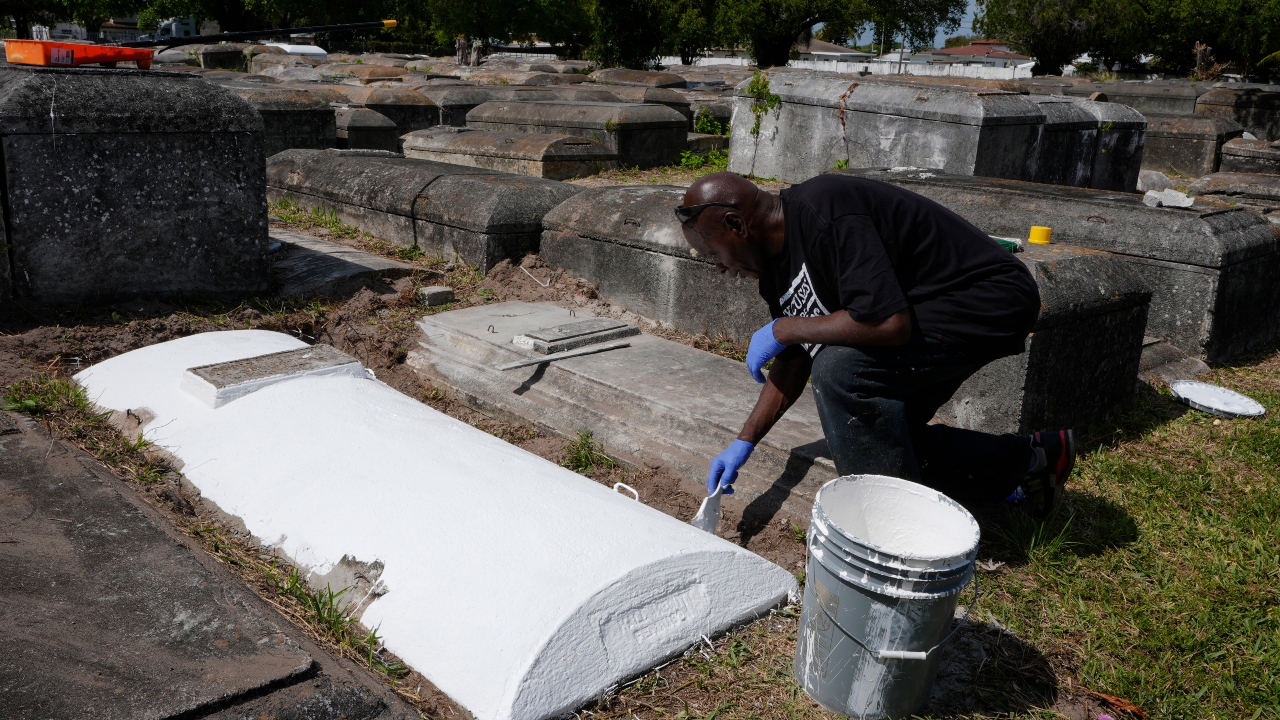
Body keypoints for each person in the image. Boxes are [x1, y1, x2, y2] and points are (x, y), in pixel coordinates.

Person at [676, 172, 1075, 517]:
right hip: (929, 311)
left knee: (841, 372)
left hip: (986, 297)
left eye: (714, 253)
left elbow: (887, 324)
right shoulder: (774, 271)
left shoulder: (826, 207)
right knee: (872, 433)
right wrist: (744, 441)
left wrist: (784, 329)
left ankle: (889, 530)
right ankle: (1032, 458)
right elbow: (796, 358)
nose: (721, 269)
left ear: (736, 224)